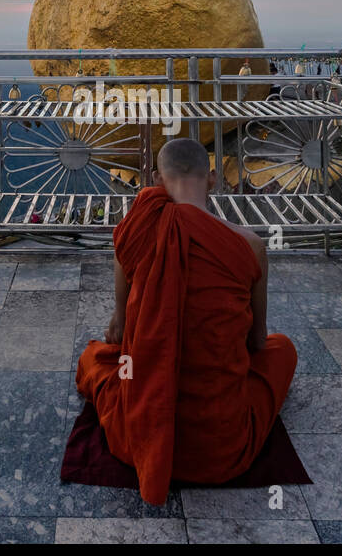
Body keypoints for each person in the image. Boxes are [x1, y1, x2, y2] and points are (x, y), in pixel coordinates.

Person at [74, 137, 298, 505]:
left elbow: (120, 331)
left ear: (157, 180)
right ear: (212, 178)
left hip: (140, 435)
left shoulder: (138, 230)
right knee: (283, 349)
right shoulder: (249, 245)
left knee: (97, 360)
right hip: (223, 448)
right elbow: (258, 343)